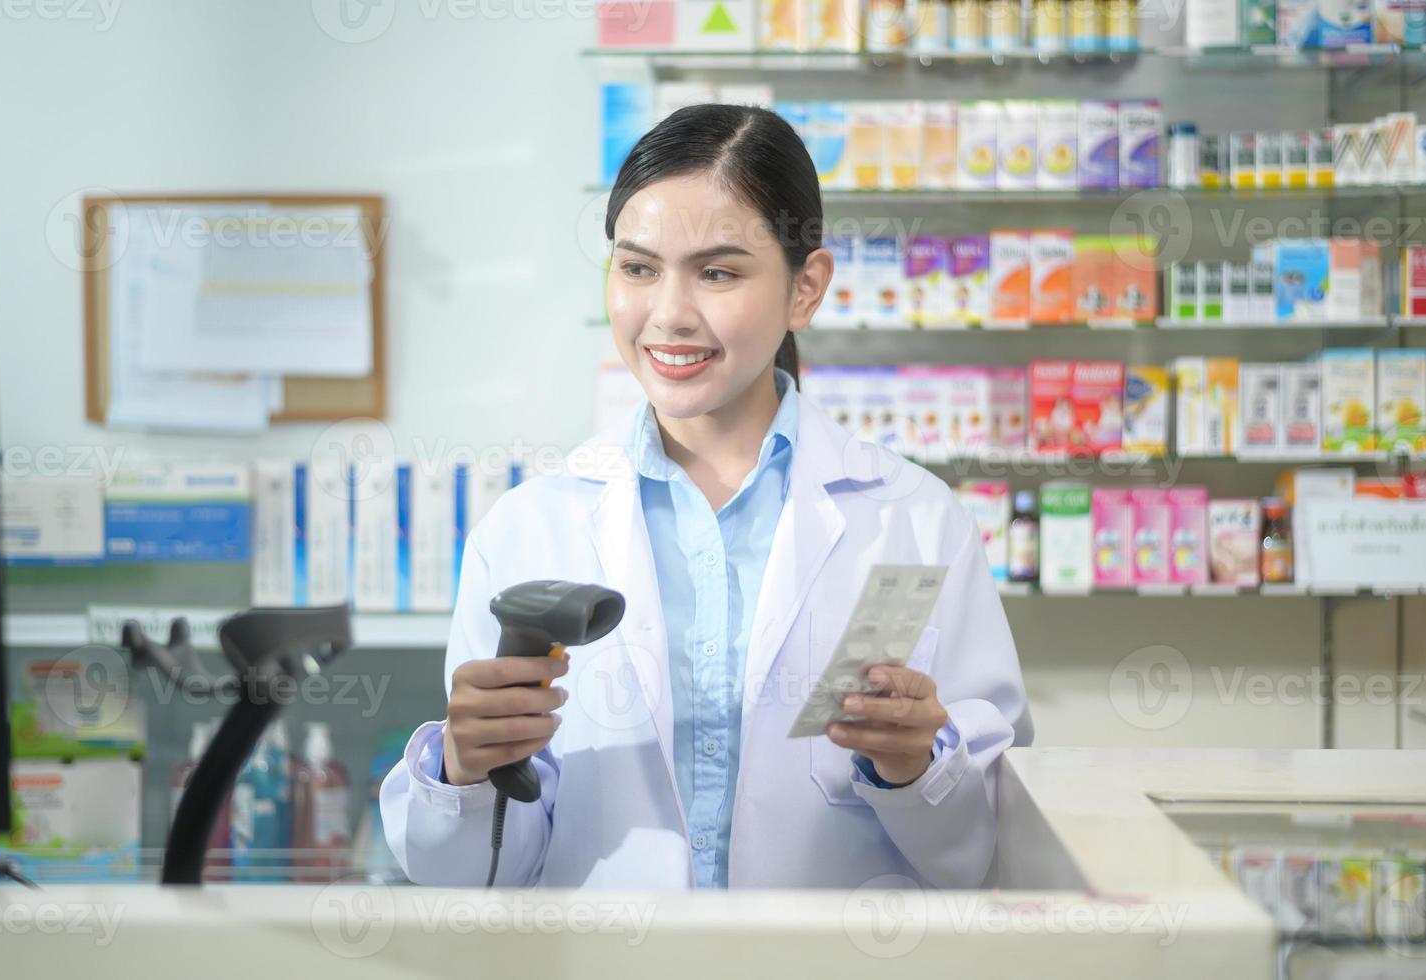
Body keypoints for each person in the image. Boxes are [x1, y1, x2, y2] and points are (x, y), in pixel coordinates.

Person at [381, 104, 1033, 889]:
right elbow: (468, 876)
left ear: (805, 288)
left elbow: (984, 851)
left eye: (717, 271)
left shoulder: (916, 523)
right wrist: (464, 771)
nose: (668, 315)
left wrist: (915, 768)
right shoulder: (528, 531)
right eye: (637, 267)